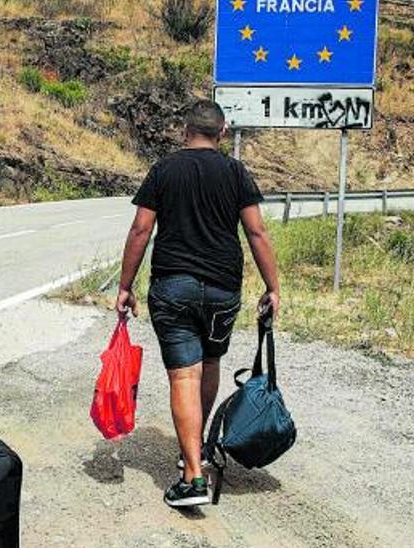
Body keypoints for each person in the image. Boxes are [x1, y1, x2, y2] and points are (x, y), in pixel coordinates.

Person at [115, 99, 281, 508]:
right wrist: (273, 287)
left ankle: (192, 478)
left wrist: (125, 285)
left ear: (183, 129)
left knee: (183, 376)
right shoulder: (235, 171)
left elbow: (141, 229)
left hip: (173, 287)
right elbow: (256, 233)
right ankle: (199, 449)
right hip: (223, 290)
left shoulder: (164, 169)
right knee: (209, 365)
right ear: (222, 134)